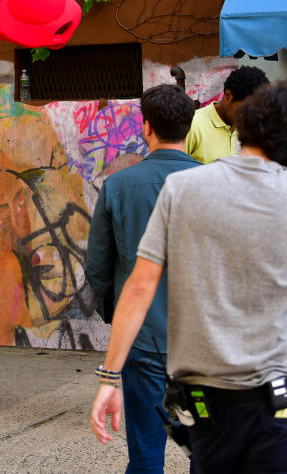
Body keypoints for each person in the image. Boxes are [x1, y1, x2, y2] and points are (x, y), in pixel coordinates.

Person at [91, 81, 287, 473]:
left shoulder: (182, 188)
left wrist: (109, 375)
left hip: (198, 386)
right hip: (281, 396)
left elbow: (132, 283)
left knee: (156, 458)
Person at [86, 84, 199, 473]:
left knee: (146, 454)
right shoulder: (211, 184)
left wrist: (115, 314)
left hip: (142, 337)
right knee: (207, 451)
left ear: (146, 127)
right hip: (201, 344)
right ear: (190, 125)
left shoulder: (118, 186)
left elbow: (98, 267)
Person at [185, 65, 268, 163]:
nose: (251, 116)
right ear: (228, 96)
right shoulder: (193, 124)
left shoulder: (251, 130)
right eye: (246, 109)